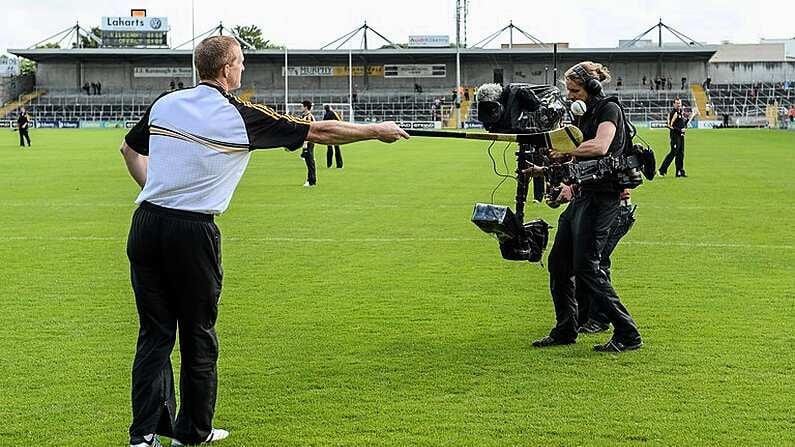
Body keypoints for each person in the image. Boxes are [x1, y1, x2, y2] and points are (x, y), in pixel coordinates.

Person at [119, 35, 408, 447]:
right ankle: (193, 433)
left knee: (154, 335)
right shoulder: (237, 114)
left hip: (146, 223)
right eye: (240, 62)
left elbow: (128, 149)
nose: (243, 68)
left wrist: (160, 189)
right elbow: (320, 132)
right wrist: (376, 130)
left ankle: (143, 435)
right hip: (192, 233)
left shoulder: (166, 103)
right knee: (198, 334)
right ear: (225, 70)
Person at [527, 61, 642, 353]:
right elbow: (577, 161)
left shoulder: (608, 109)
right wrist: (544, 170)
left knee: (587, 268)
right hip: (583, 196)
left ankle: (628, 333)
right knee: (559, 264)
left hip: (603, 199)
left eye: (575, 89)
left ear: (591, 88)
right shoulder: (583, 115)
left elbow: (601, 147)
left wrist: (564, 150)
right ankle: (566, 328)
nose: (570, 95)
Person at [576, 189, 636, 333]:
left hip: (614, 210)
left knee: (596, 263)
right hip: (603, 208)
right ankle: (586, 316)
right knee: (588, 262)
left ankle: (599, 319)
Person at [659, 97, 688, 178]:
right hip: (675, 136)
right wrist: (680, 130)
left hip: (681, 136)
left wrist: (688, 119)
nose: (679, 105)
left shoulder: (680, 112)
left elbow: (682, 124)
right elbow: (669, 126)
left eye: (680, 103)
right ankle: (662, 170)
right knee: (673, 153)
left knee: (681, 154)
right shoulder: (673, 113)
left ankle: (679, 171)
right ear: (674, 104)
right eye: (677, 103)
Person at [299, 100, 317, 186]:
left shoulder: (309, 117)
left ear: (305, 107)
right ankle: (310, 179)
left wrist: (306, 142)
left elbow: (309, 130)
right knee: (308, 161)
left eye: (302, 106)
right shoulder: (304, 116)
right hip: (306, 141)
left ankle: (311, 181)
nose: (301, 107)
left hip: (309, 141)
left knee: (310, 161)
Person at [323, 104, 343, 168]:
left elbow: (323, 124)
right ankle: (339, 164)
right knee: (337, 148)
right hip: (335, 133)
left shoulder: (325, 115)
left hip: (328, 134)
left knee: (329, 149)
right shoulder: (334, 113)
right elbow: (339, 121)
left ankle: (329, 164)